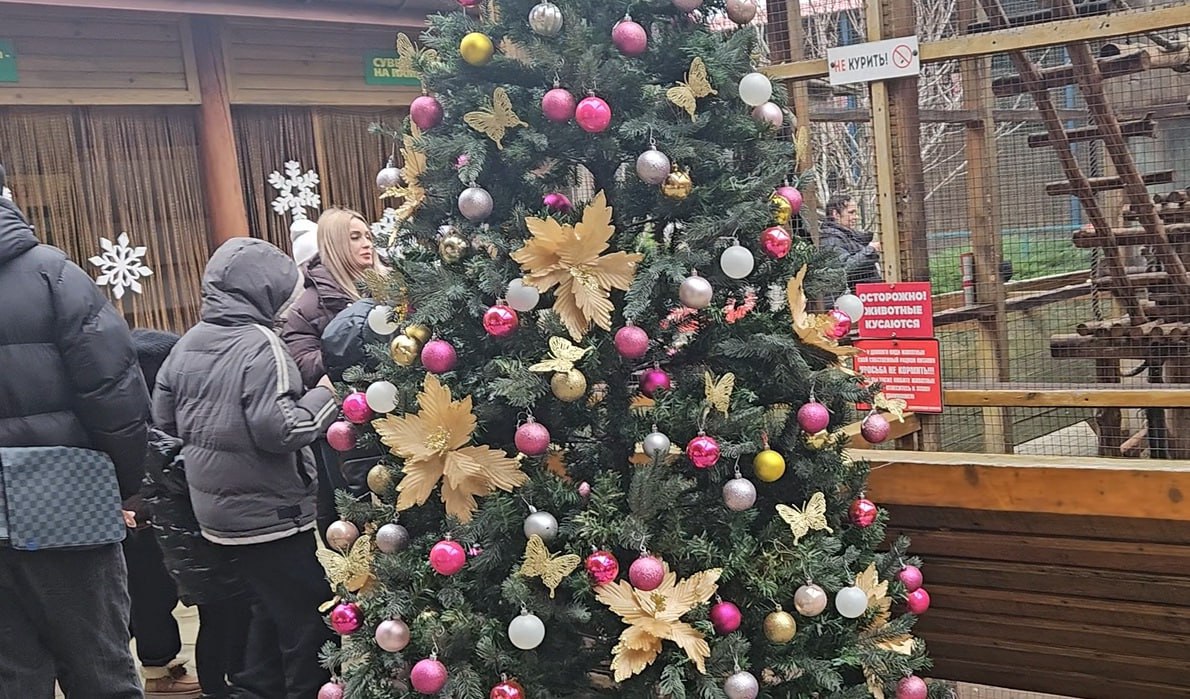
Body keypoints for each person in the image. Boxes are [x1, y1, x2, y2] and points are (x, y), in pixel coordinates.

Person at [152, 237, 338, 699]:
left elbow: (165, 418)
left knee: (262, 608)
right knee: (306, 618)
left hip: (216, 515)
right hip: (270, 513)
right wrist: (328, 395)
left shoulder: (190, 341)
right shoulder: (262, 346)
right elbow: (283, 430)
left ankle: (255, 689)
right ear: (264, 292)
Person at [0, 164, 151, 697]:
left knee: (12, 678)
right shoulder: (54, 276)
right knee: (100, 668)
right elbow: (114, 390)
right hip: (67, 502)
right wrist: (134, 484)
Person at [132, 329, 250, 699]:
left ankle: (214, 681)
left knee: (217, 618)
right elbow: (196, 473)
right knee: (220, 619)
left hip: (187, 547)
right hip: (199, 549)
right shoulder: (164, 435)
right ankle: (217, 686)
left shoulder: (147, 428)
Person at [281, 207, 383, 539]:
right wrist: (345, 349)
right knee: (358, 514)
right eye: (355, 238)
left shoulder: (390, 288)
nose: (367, 243)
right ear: (335, 244)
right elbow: (304, 364)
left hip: (402, 417)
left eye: (368, 235)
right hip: (348, 430)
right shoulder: (307, 307)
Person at [819, 194, 882, 291]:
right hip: (849, 299)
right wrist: (871, 250)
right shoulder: (830, 239)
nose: (856, 217)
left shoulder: (848, 236)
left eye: (856, 213)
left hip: (862, 297)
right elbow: (844, 268)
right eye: (851, 213)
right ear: (836, 214)